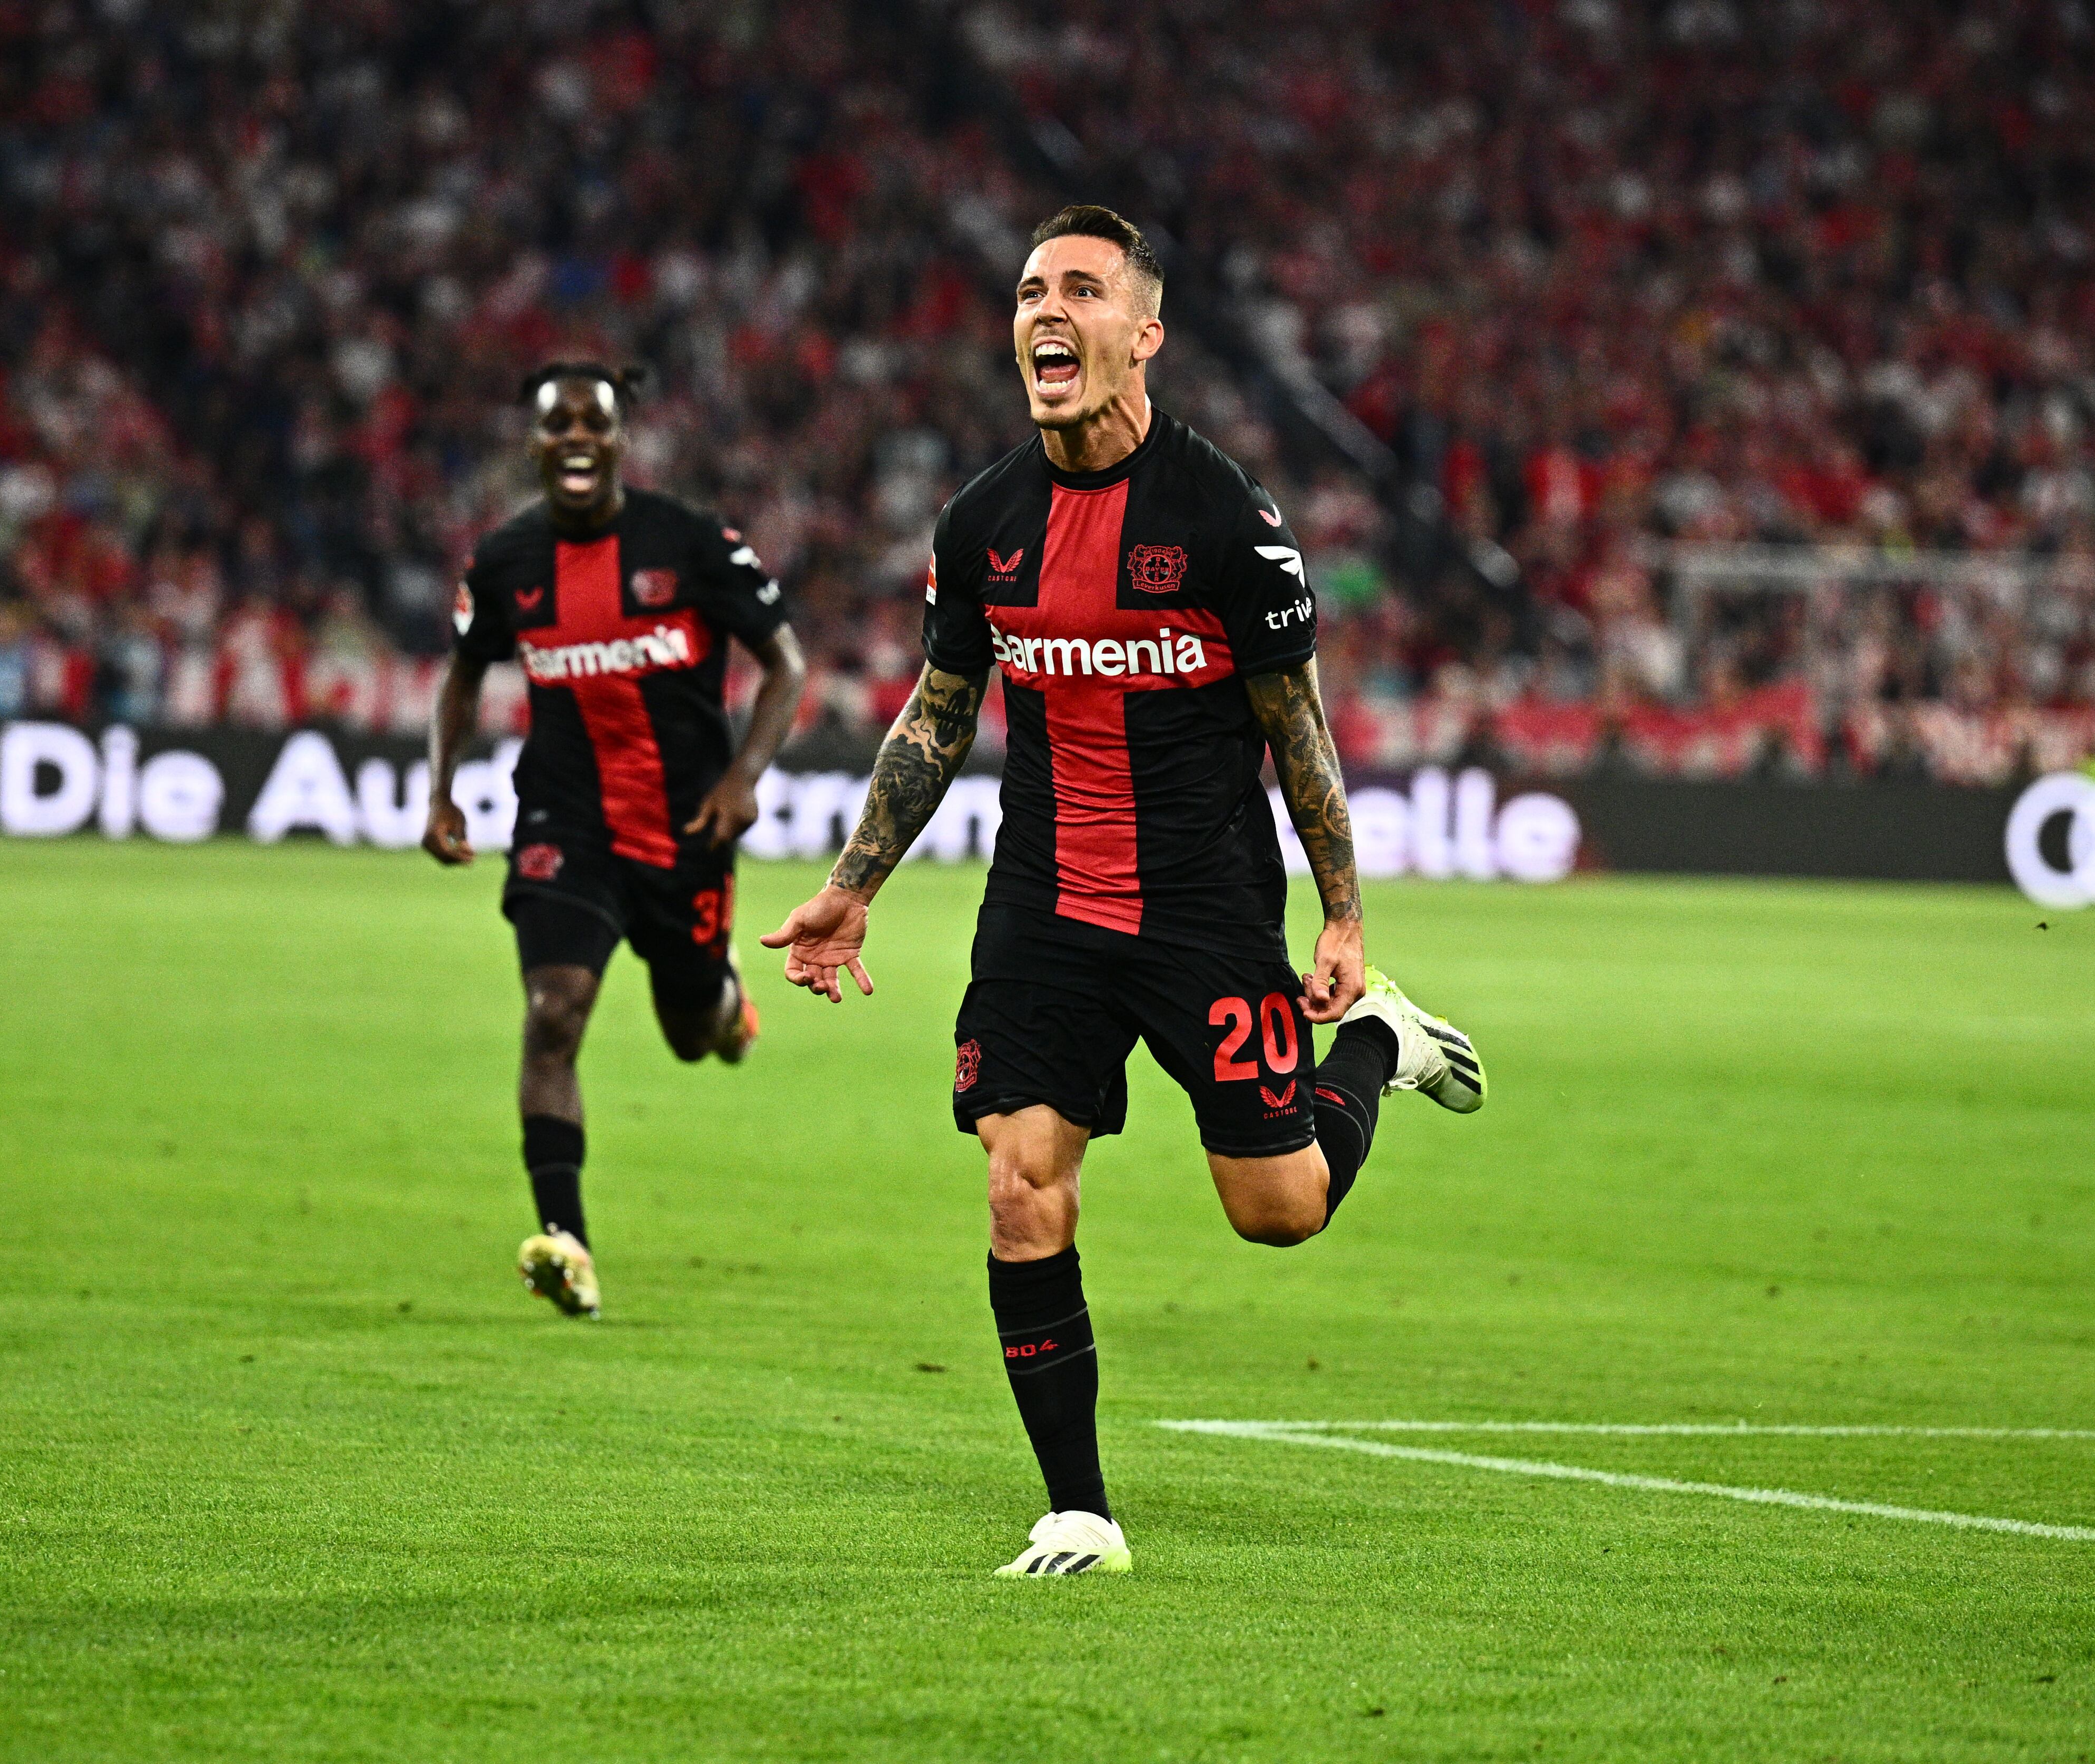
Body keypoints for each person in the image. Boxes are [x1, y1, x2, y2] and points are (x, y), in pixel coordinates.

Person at [762, 209, 1485, 1576]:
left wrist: (1341, 916)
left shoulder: (1228, 521)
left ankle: (1379, 1041)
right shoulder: (983, 522)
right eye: (1033, 289)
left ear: (1142, 333)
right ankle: (1080, 1506)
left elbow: (1297, 726)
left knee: (1277, 1208)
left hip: (1204, 903)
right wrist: (852, 885)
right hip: (1041, 901)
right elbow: (937, 711)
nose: (1050, 310)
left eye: (1083, 289)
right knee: (1020, 1182)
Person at [425, 363, 807, 1320]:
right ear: (536, 443)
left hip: (685, 827)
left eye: (595, 421)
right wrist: (439, 792)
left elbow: (785, 665)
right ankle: (567, 1241)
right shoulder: (506, 561)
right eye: (559, 424)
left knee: (691, 1034)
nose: (577, 439)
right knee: (554, 1012)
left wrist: (741, 777)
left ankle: (725, 1005)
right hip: (566, 821)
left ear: (621, 437)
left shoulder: (692, 542)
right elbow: (463, 677)